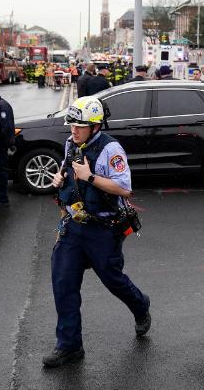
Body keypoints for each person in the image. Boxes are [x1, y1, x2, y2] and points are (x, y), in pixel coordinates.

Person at [43, 96, 151, 368]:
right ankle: (69, 346)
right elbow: (68, 168)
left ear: (95, 126)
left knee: (113, 279)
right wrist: (60, 177)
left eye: (79, 126)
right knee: (63, 283)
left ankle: (141, 306)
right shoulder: (71, 143)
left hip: (102, 229)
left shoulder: (110, 149)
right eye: (71, 125)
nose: (73, 131)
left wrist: (89, 177)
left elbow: (124, 189)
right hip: (73, 226)